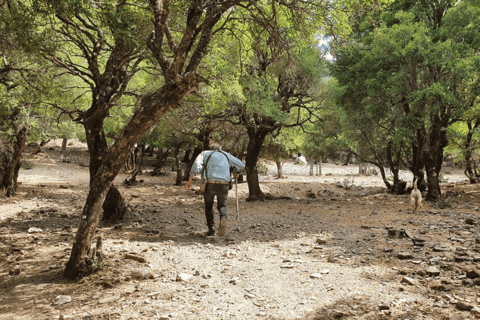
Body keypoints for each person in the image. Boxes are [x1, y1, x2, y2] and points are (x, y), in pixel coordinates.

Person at [184, 144, 245, 237]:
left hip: (210, 184)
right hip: (224, 184)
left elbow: (197, 165)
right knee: (222, 206)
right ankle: (223, 218)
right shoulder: (226, 155)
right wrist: (235, 171)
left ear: (211, 149)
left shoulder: (205, 154)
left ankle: (211, 229)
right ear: (220, 149)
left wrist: (190, 179)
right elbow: (241, 165)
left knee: (208, 207)